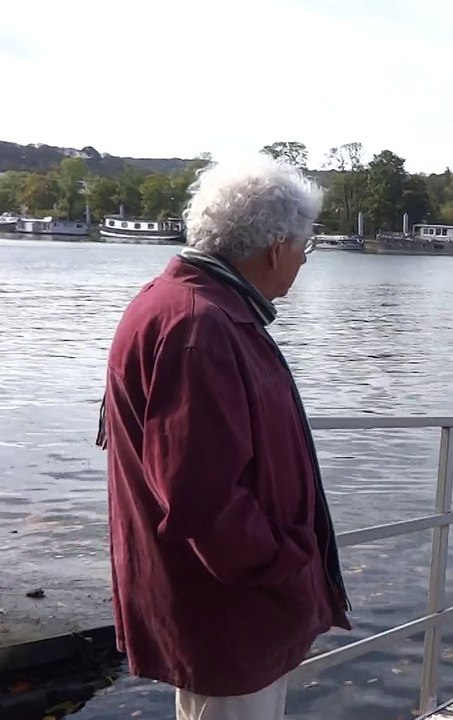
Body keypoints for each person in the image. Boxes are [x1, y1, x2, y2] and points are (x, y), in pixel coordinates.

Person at [96, 156, 351, 719]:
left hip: (228, 606)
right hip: (231, 613)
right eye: (305, 246)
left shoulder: (194, 306)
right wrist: (286, 562)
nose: (305, 260)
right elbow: (203, 500)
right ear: (274, 247)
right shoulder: (199, 326)